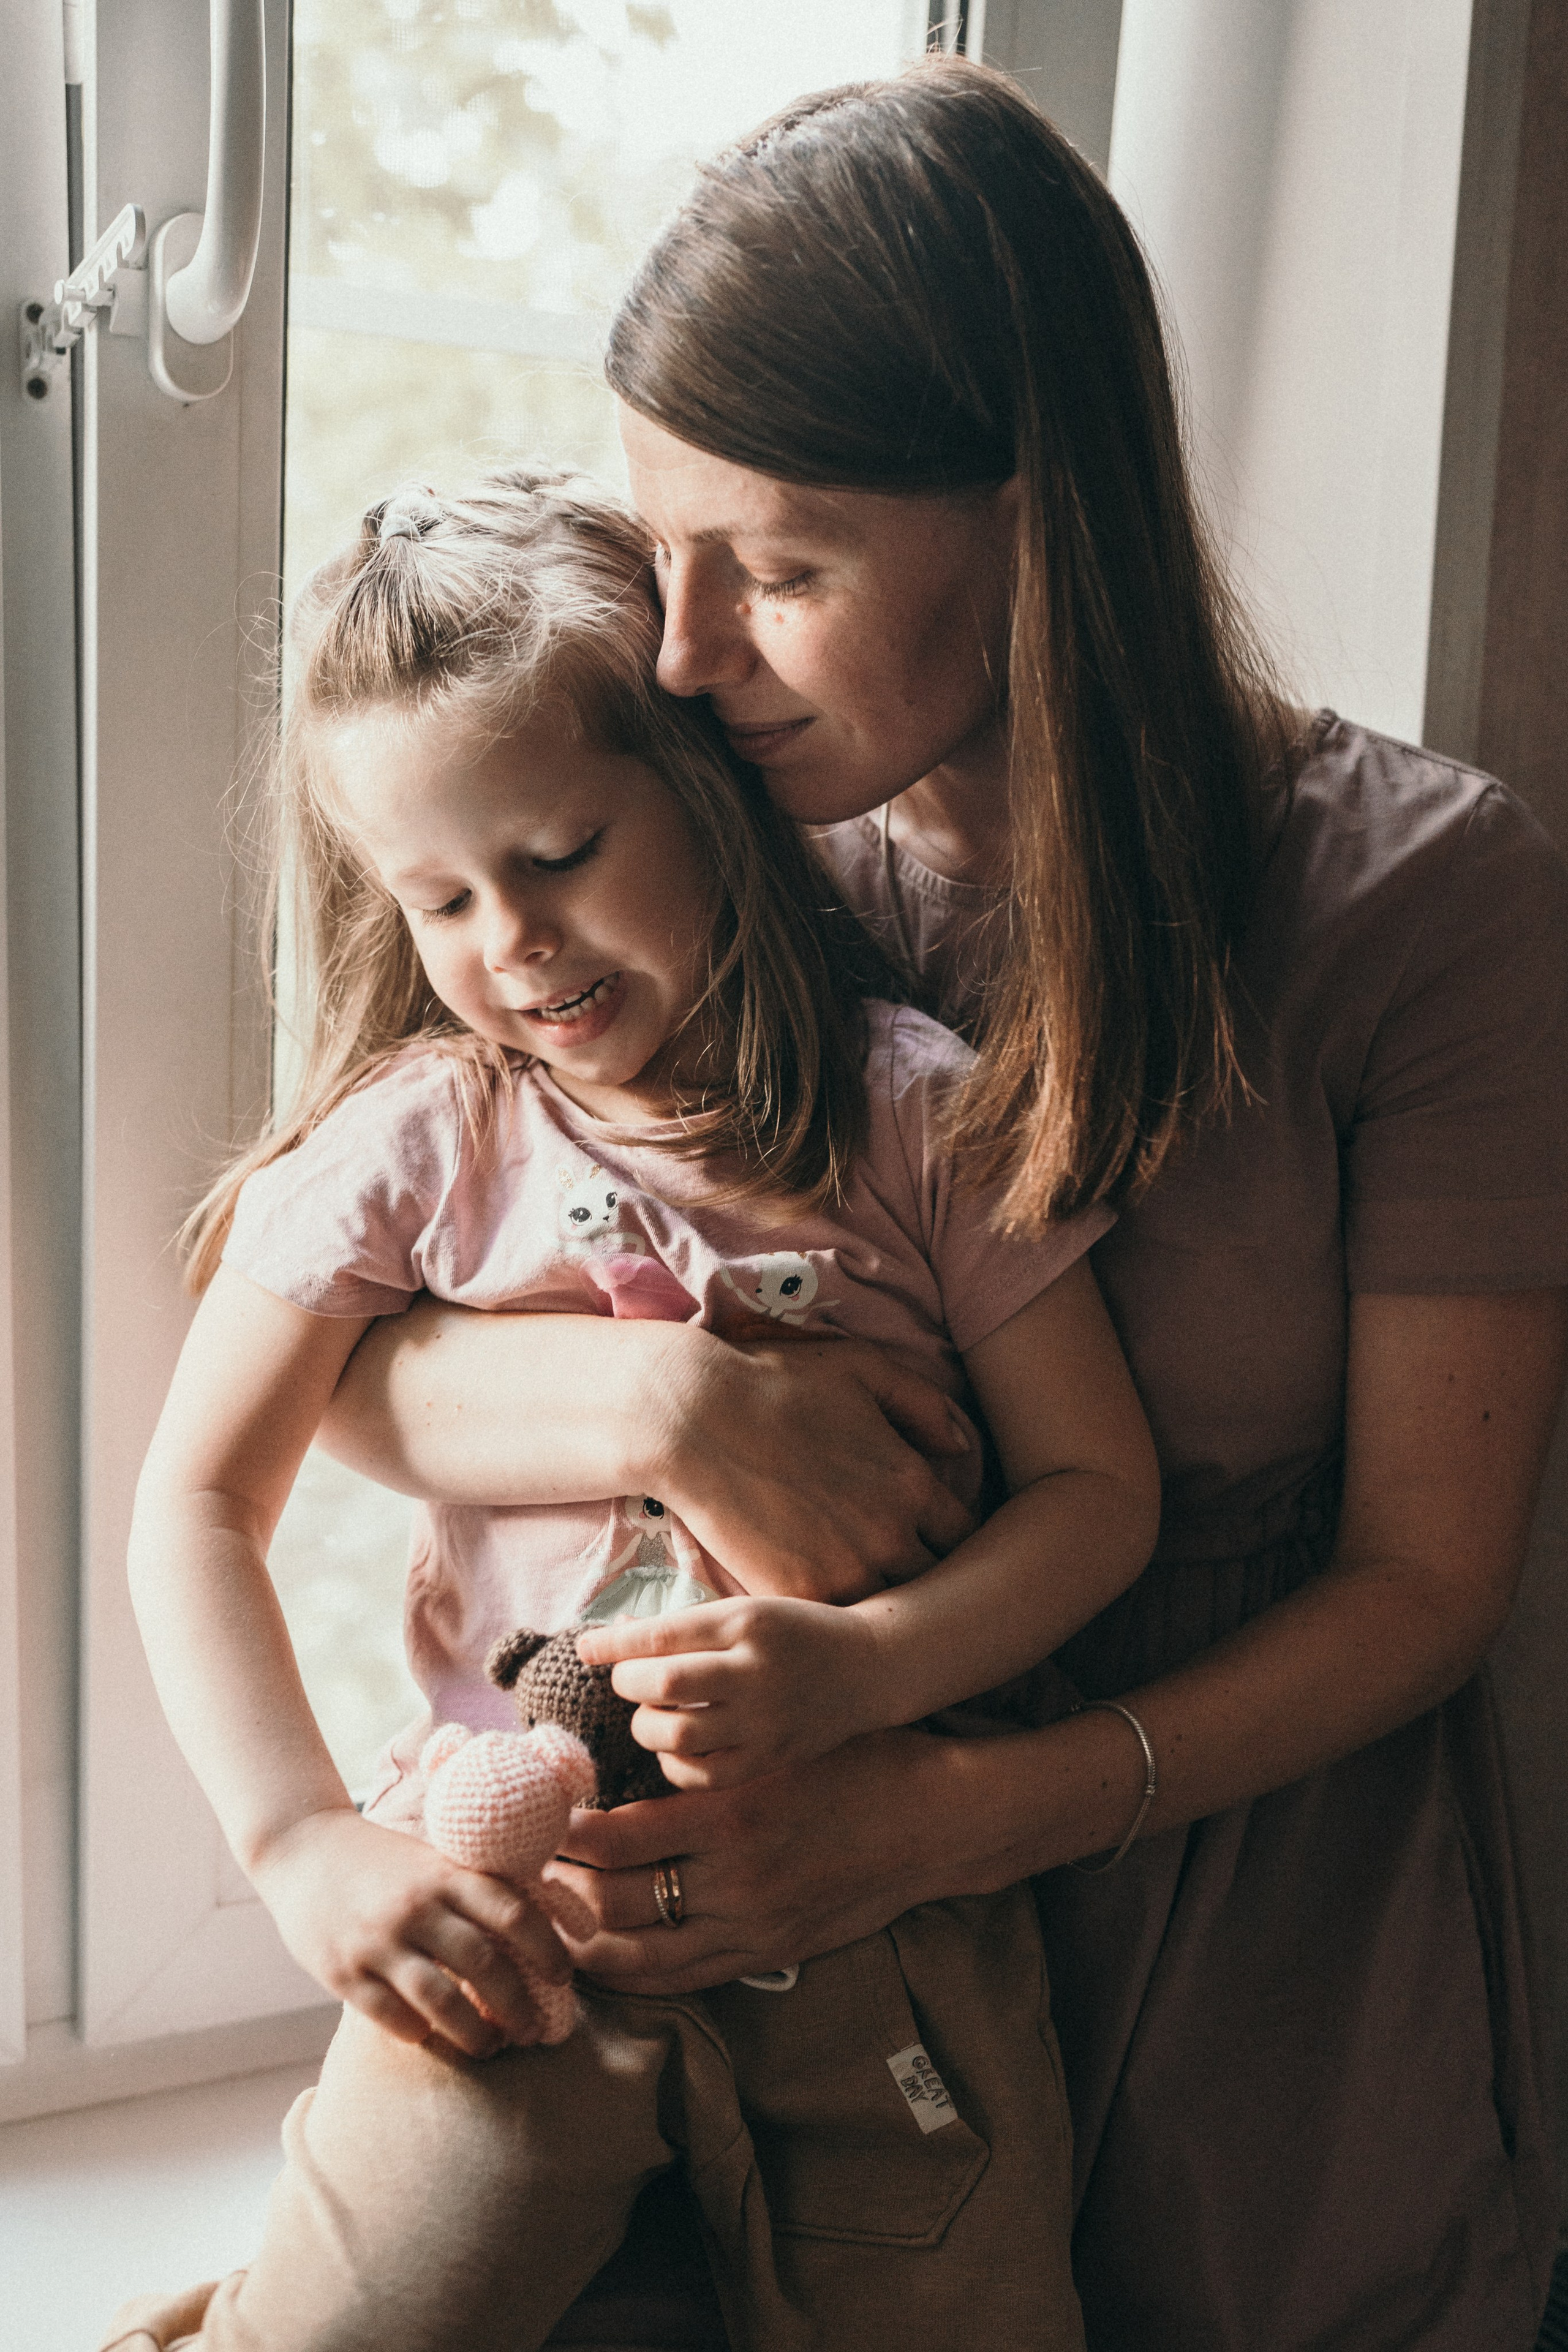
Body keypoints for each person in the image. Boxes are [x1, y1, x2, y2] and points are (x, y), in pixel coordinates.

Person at [299, 57, 1568, 2352]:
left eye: (778, 568)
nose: (682, 652)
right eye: (662, 549)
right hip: (781, 1923)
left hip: (1233, 1904)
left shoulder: (1428, 905)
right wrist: (672, 1407)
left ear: (1036, 521)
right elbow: (340, 1355)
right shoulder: (704, 861)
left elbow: (1430, 1582)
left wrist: (958, 1811)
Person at [105, 470, 1161, 2352]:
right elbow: (194, 1506)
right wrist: (299, 1848)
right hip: (520, 1924)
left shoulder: (919, 1114)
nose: (509, 938)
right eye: (436, 896)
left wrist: (870, 1671)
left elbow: (1099, 1494)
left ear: (710, 790)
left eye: (561, 849)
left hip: (884, 1930)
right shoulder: (427, 1137)